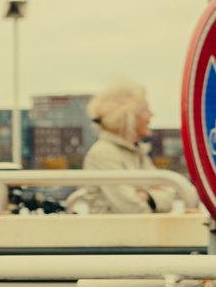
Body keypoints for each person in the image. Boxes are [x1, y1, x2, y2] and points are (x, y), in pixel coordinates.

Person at [77, 83, 186, 214]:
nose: (151, 115)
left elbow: (169, 197)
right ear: (127, 117)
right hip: (113, 232)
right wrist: (153, 196)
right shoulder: (104, 153)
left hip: (138, 231)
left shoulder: (137, 152)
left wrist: (147, 197)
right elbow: (131, 208)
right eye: (145, 110)